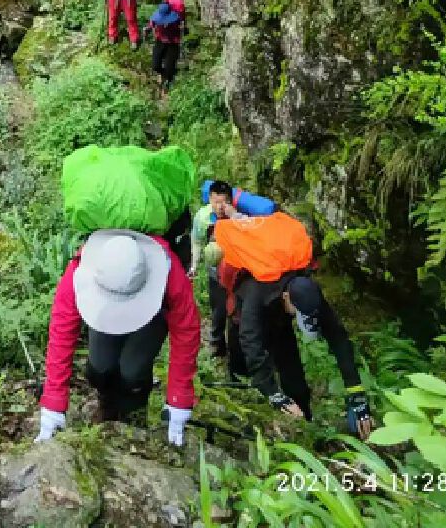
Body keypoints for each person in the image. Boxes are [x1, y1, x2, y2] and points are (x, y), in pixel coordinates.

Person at [35, 228, 200, 446]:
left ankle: (133, 417)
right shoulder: (80, 270)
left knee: (133, 371)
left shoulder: (169, 272)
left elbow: (187, 331)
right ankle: (108, 407)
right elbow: (61, 333)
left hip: (151, 314)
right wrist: (53, 405)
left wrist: (178, 400)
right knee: (99, 367)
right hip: (104, 307)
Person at [220, 257, 372, 439]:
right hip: (244, 319)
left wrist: (356, 393)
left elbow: (337, 336)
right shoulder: (256, 292)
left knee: (295, 384)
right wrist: (273, 394)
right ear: (286, 297)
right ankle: (243, 422)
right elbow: (251, 343)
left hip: (280, 320)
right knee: (242, 373)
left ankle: (304, 424)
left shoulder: (309, 293)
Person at [190, 180, 276, 359]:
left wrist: (234, 216)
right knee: (219, 310)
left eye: (224, 202)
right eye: (216, 202)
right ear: (210, 199)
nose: (220, 207)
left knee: (237, 310)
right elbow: (197, 241)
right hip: (215, 273)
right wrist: (194, 265)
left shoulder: (239, 215)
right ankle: (217, 342)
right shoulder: (203, 217)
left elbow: (252, 230)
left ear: (230, 200)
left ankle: (240, 351)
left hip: (237, 273)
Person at [146, 0, 187, 89]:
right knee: (155, 65)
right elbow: (151, 24)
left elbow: (182, 28)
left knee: (170, 68)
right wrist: (148, 29)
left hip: (173, 42)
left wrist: (182, 30)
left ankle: (168, 80)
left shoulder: (177, 19)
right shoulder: (156, 18)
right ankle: (163, 74)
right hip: (160, 40)